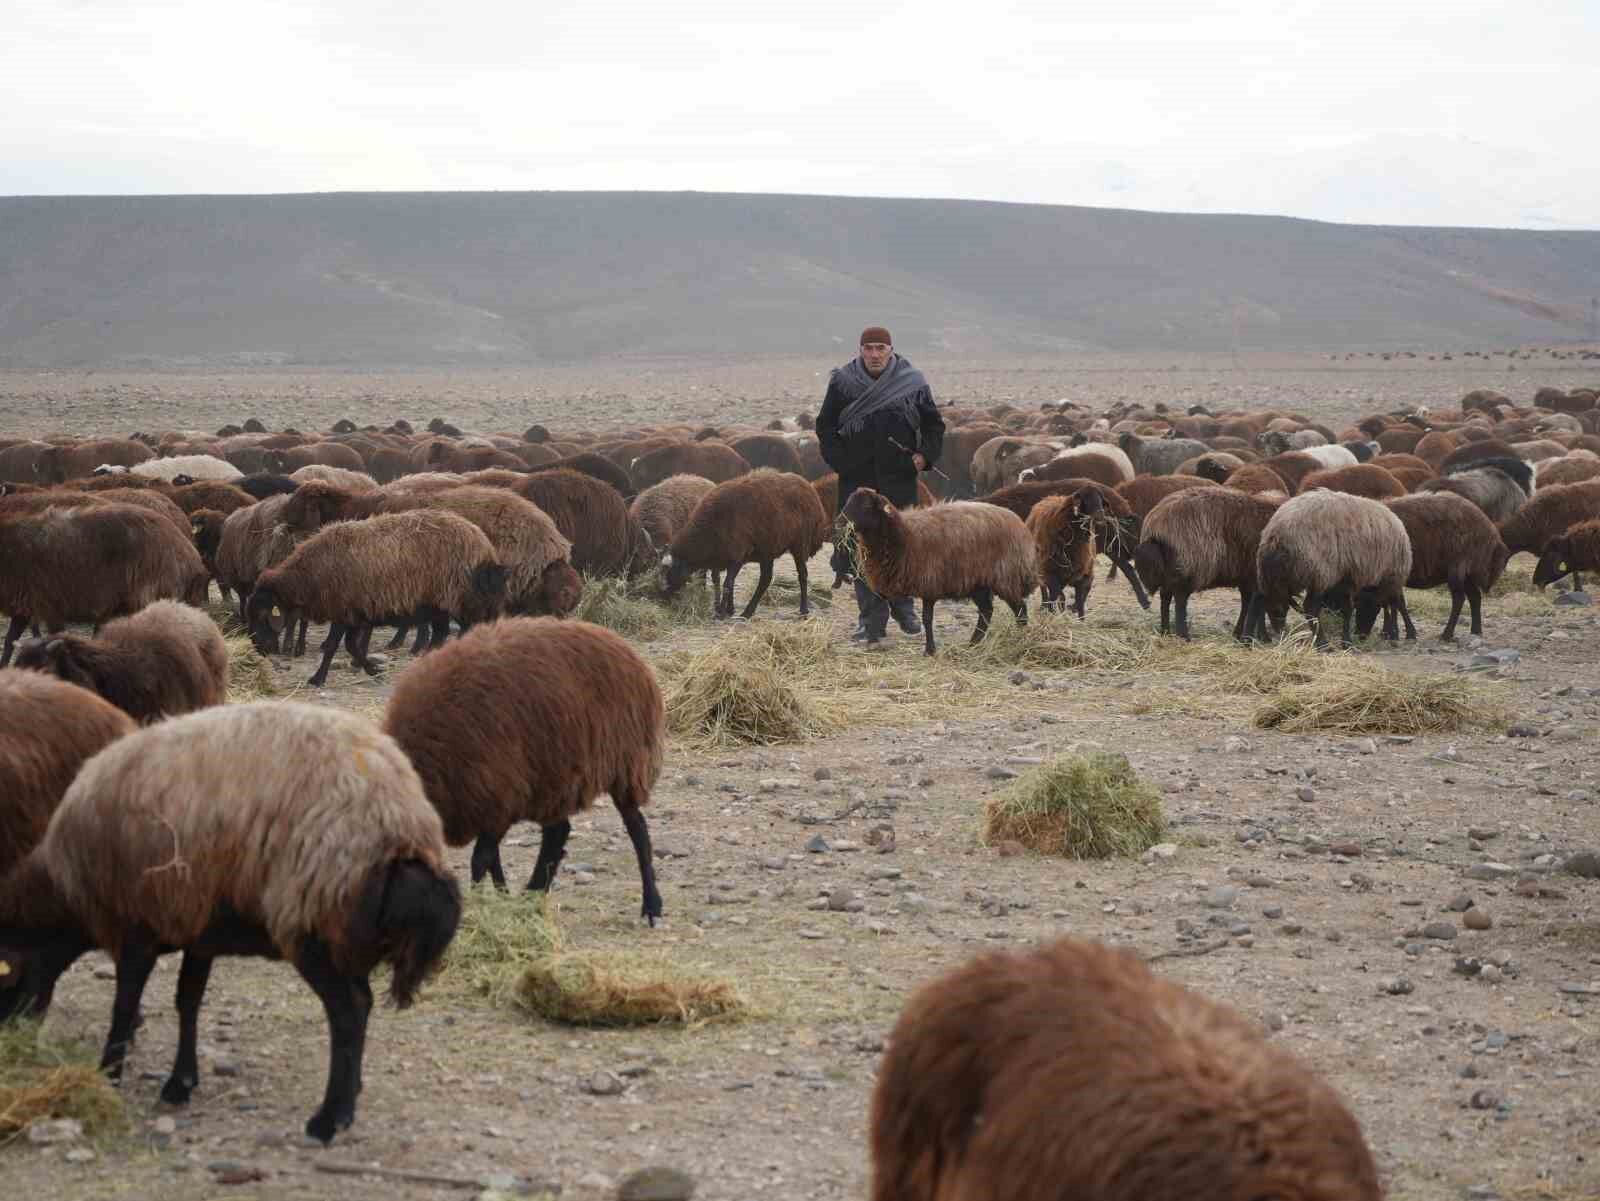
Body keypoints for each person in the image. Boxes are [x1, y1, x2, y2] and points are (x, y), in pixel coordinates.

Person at [816, 326, 945, 645]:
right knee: (860, 545)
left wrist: (923, 458)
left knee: (903, 543)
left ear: (891, 350)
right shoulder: (843, 382)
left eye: (880, 348)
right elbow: (826, 426)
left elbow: (933, 424)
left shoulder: (912, 382)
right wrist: (841, 462)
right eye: (869, 348)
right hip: (856, 480)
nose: (874, 354)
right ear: (860, 350)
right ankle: (871, 621)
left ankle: (904, 608)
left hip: (898, 477)